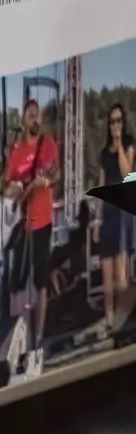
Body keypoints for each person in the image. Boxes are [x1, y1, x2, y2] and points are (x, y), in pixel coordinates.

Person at [3, 96, 57, 366]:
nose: (34, 117)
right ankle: (24, 337)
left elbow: (55, 174)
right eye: (30, 114)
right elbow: (5, 183)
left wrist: (46, 181)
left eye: (37, 113)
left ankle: (38, 338)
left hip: (42, 221)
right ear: (23, 120)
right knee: (18, 284)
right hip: (21, 224)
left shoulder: (47, 144)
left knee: (40, 281)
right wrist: (12, 189)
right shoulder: (16, 152)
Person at [94, 101, 135, 329]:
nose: (115, 125)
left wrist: (119, 146)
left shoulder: (128, 144)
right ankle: (109, 318)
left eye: (119, 121)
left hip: (122, 212)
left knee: (121, 272)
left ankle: (120, 318)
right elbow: (101, 187)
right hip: (107, 214)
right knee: (106, 271)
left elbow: (127, 173)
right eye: (112, 122)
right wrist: (97, 220)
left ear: (123, 123)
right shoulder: (103, 154)